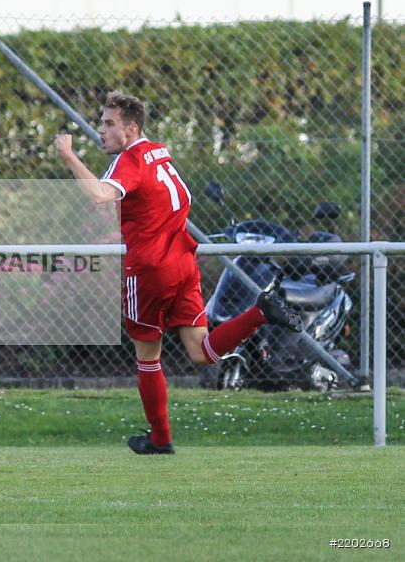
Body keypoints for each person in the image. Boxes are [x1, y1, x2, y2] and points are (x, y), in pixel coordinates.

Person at [54, 91, 302, 455]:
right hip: (183, 262)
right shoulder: (159, 152)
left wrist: (68, 155)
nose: (101, 131)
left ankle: (160, 438)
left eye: (109, 124)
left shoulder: (131, 159)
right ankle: (258, 313)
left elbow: (98, 195)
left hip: (150, 268)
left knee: (147, 356)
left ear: (131, 128)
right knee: (201, 352)